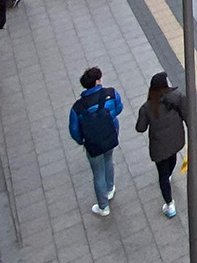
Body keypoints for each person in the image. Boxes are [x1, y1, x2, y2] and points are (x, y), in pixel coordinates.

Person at [68, 65, 124, 217]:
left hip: (92, 143)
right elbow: (119, 108)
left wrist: (82, 141)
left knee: (98, 172)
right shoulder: (111, 94)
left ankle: (103, 206)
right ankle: (110, 188)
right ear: (97, 81)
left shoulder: (77, 108)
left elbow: (74, 131)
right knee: (109, 160)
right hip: (110, 135)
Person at [134, 72, 186, 219]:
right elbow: (186, 114)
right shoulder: (177, 98)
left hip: (159, 147)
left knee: (162, 174)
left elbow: (140, 128)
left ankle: (170, 205)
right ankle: (169, 176)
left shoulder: (147, 107)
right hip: (176, 141)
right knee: (172, 158)